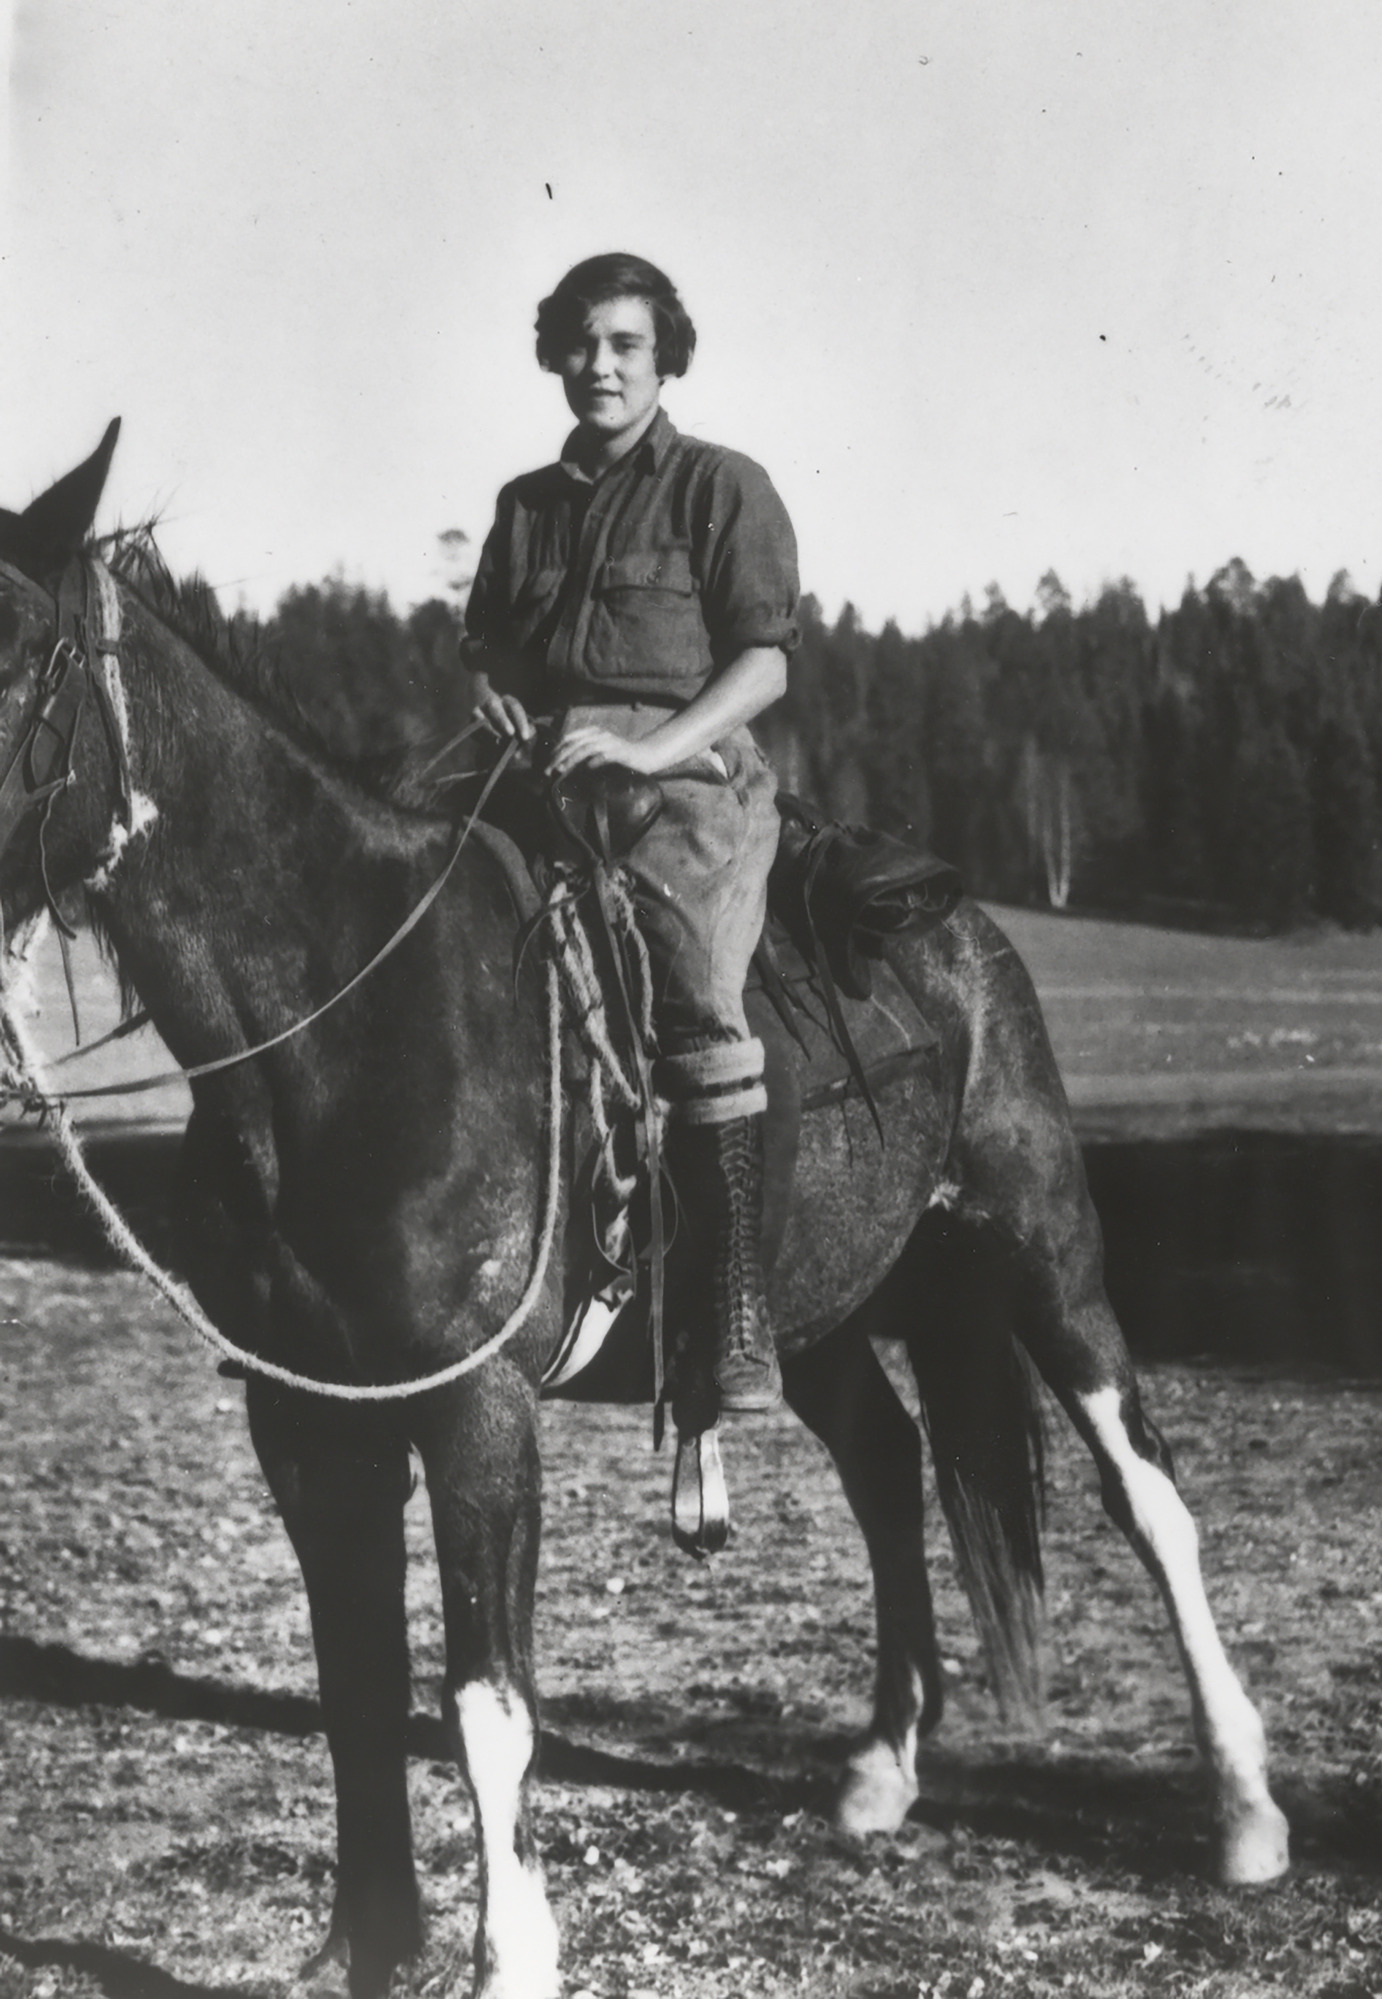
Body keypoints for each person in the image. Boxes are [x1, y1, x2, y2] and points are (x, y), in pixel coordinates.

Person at [460, 252, 797, 1428]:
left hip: (683, 783)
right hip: (540, 775)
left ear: (665, 359)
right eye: (579, 342)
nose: (598, 366)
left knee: (700, 984)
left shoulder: (717, 486)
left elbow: (763, 661)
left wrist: (651, 752)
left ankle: (739, 1309)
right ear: (552, 351)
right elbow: (492, 655)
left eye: (625, 346)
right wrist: (494, 701)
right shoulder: (523, 507)